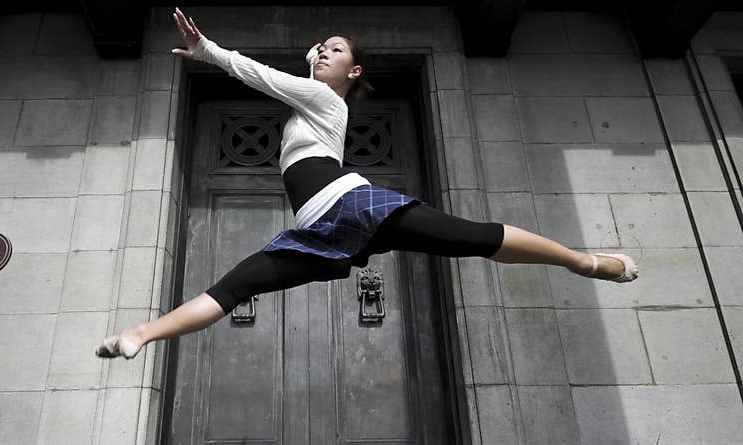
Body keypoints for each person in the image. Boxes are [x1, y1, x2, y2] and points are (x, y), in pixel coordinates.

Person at [97, 7, 639, 359]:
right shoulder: (313, 97)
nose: (322, 54)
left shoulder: (326, 99)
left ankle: (584, 262)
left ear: (352, 74)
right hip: (318, 232)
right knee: (238, 284)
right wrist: (317, 55)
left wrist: (209, 51)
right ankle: (141, 334)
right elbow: (300, 70)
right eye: (321, 49)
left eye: (336, 51)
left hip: (353, 205)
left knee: (472, 238)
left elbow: (265, 76)